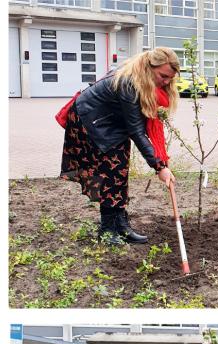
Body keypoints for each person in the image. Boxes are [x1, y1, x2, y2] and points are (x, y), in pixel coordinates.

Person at [61, 48, 179, 245]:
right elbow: (136, 131)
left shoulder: (141, 79)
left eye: (170, 78)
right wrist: (160, 167)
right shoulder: (129, 83)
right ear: (150, 67)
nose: (166, 82)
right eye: (163, 76)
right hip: (90, 121)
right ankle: (107, 231)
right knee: (111, 173)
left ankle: (121, 226)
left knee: (120, 171)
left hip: (109, 122)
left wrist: (160, 163)